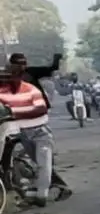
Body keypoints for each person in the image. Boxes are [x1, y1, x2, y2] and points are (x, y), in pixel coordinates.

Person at [9, 53, 71, 200]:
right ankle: (50, 183)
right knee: (35, 156)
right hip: (20, 119)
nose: (21, 66)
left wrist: (56, 59)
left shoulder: (31, 72)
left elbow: (52, 68)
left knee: (40, 154)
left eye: (23, 63)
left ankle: (57, 185)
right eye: (17, 64)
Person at [0, 64, 56, 206]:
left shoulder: (31, 90)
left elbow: (41, 109)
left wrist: (14, 114)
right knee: (37, 162)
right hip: (20, 134)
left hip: (39, 132)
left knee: (43, 163)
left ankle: (41, 195)